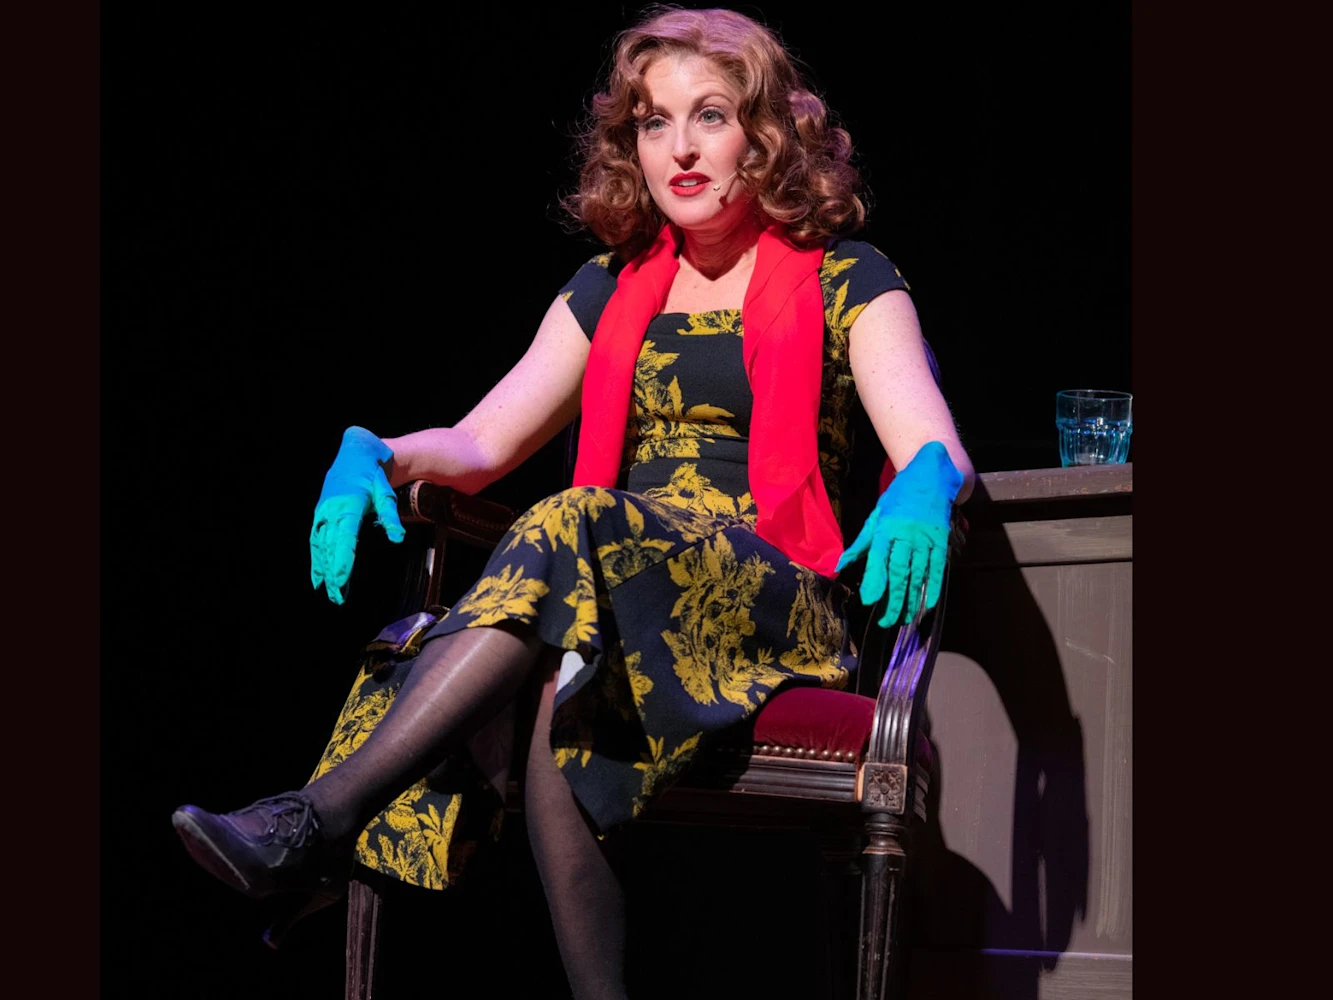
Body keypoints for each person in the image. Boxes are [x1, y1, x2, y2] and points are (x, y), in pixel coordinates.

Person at [172, 7, 974, 998]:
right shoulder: (607, 285)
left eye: (710, 116)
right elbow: (480, 443)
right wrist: (374, 450)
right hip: (613, 594)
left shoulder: (850, 275)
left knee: (566, 520)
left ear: (764, 134)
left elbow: (933, 445)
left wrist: (925, 481)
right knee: (564, 686)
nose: (679, 149)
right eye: (654, 122)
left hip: (771, 600)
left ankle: (318, 819)